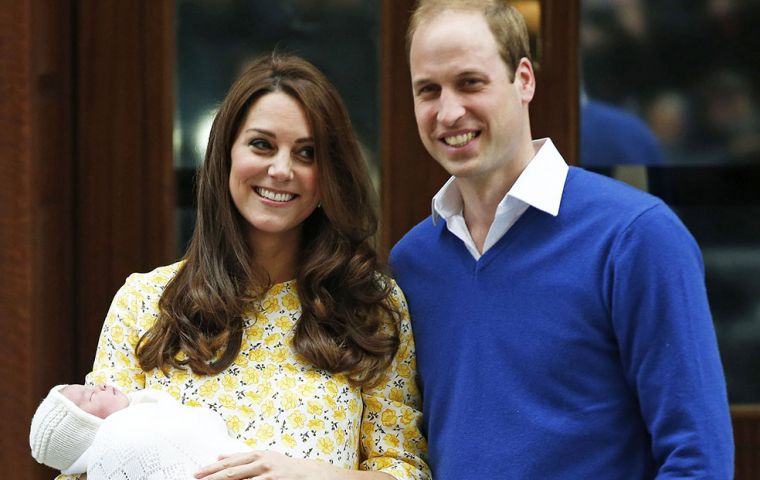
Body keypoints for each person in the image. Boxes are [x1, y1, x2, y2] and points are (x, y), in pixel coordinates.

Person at [390, 1, 734, 478]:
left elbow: (698, 459)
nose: (448, 111)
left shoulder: (636, 237)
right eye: (428, 90)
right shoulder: (412, 263)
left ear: (524, 80)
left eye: (470, 82)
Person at [54, 54, 429, 480]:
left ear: (329, 175)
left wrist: (308, 475)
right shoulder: (144, 303)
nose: (281, 169)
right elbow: (86, 465)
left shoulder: (369, 308)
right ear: (226, 155)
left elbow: (404, 471)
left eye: (306, 153)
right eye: (262, 145)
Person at [30, 384, 247, 479]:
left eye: (90, 386)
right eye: (89, 396)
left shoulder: (148, 411)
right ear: (83, 429)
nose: (100, 386)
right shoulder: (120, 438)